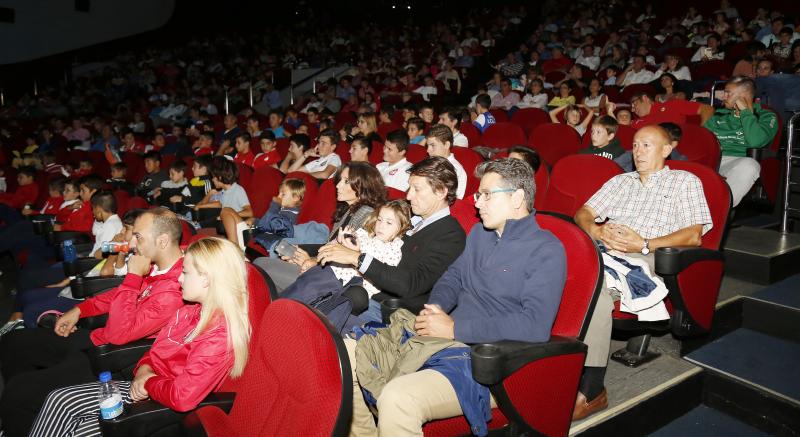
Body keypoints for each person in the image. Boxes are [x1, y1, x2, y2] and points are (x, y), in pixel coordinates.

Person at [342, 158, 566, 436]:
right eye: (478, 194)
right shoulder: (480, 235)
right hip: (442, 340)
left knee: (397, 398)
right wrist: (435, 308)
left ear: (517, 197)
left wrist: (455, 328)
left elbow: (535, 325)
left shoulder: (546, 249)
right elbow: (453, 277)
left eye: (486, 195)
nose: (476, 203)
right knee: (342, 357)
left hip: (491, 363)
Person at [28, 237, 251, 437]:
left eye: (185, 272)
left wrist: (148, 382)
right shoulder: (188, 311)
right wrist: (144, 370)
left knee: (67, 412)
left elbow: (183, 396)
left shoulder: (219, 333)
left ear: (206, 279)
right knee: (59, 402)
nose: (179, 279)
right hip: (148, 388)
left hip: (162, 407)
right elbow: (154, 353)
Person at [0, 208, 186, 436]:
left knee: (19, 392)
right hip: (98, 338)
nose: (132, 244)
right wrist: (79, 309)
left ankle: (26, 422)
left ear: (163, 241)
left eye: (138, 236)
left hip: (111, 358)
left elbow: (119, 335)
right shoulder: (155, 265)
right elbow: (117, 295)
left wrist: (134, 276)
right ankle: (29, 421)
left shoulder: (175, 289)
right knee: (14, 344)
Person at [573, 125, 713, 421]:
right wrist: (596, 229)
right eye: (635, 145)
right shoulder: (619, 181)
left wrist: (645, 243)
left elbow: (693, 236)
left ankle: (592, 389)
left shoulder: (684, 181)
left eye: (647, 145)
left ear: (667, 149)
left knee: (592, 288)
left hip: (647, 256)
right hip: (604, 249)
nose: (637, 151)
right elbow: (583, 213)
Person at [316, 156, 466, 313]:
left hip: (382, 306)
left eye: (417, 189)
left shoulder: (451, 235)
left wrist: (356, 257)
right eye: (409, 188)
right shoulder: (407, 216)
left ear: (441, 191)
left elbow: (412, 284)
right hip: (356, 285)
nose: (408, 196)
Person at [254, 161, 386, 291]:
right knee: (265, 276)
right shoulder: (348, 211)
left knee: (261, 266)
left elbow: (350, 259)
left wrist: (313, 262)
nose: (338, 185)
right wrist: (300, 254)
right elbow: (329, 246)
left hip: (333, 281)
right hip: (321, 270)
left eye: (346, 181)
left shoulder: (367, 215)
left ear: (362, 186)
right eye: (340, 180)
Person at [704, 76, 778, 207]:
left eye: (728, 93)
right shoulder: (719, 114)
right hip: (712, 160)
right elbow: (703, 140)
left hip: (737, 162)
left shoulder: (766, 116)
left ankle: (717, 211)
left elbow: (756, 141)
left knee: (749, 166)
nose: (723, 96)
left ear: (743, 96)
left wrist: (745, 112)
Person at [197, 158, 253, 243]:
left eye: (213, 177)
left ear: (219, 177)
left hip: (235, 225)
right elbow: (219, 204)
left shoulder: (238, 190)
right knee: (207, 221)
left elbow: (249, 212)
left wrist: (228, 216)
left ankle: (197, 226)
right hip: (224, 224)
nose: (212, 180)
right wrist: (201, 206)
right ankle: (196, 226)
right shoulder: (224, 191)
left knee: (211, 222)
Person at [620, 93, 714, 129]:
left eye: (634, 104)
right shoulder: (635, 122)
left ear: (645, 98)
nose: (632, 109)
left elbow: (707, 109)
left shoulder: (672, 105)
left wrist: (703, 131)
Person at [425, 124, 467, 199]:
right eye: (427, 146)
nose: (428, 150)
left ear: (446, 145)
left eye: (433, 145)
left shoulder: (455, 169)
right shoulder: (429, 162)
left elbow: (453, 200)